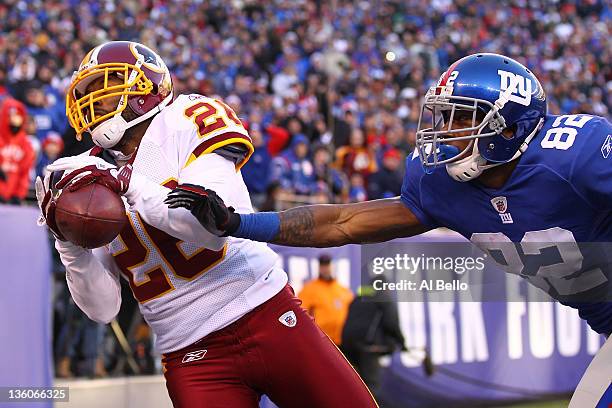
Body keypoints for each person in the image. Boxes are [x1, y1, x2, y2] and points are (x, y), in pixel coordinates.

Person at [165, 53, 612, 407]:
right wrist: (239, 223)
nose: (444, 132)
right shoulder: (440, 186)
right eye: (442, 116)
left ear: (509, 128)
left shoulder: (578, 154)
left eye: (460, 118)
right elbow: (343, 223)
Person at [36, 41, 377, 408]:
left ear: (143, 88)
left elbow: (210, 230)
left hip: (264, 312)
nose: (92, 101)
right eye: (85, 93)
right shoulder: (86, 181)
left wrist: (129, 182)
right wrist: (67, 241)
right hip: (189, 353)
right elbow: (102, 309)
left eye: (102, 86)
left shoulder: (186, 119)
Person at [298, 254, 353, 346]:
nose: (325, 268)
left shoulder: (342, 289)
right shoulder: (309, 289)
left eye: (327, 265)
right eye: (322, 266)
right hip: (322, 341)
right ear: (319, 267)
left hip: (343, 341)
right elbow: (301, 314)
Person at [0, 97, 35, 204]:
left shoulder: (26, 144)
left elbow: (25, 173)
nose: (14, 119)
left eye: (18, 116)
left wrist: (18, 195)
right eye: (11, 116)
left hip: (12, 198)